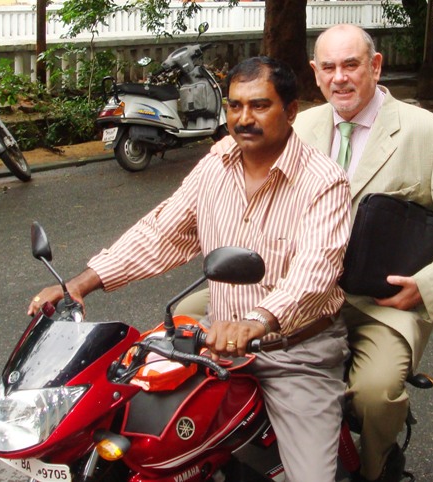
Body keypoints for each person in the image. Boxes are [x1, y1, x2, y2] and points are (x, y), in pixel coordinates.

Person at [27, 56, 352, 482]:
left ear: (291, 111)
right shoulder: (217, 163)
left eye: (260, 106)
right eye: (235, 106)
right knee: (132, 429)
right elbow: (162, 231)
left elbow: (313, 274)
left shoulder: (324, 181)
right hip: (214, 344)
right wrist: (80, 285)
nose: (243, 118)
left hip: (293, 353)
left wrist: (255, 321)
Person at [200, 24, 433, 482]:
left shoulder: (429, 134)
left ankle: (378, 466)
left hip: (378, 302)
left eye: (351, 65)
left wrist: (429, 284)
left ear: (375, 67)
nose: (340, 78)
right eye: (329, 68)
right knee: (183, 322)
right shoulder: (299, 123)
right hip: (291, 286)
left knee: (375, 392)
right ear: (315, 74)